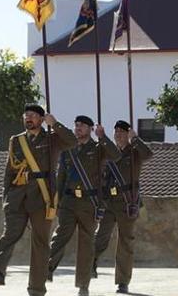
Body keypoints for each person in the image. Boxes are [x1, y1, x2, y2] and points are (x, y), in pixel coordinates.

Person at [0, 104, 77, 296]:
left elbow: (73, 141)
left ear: (42, 120)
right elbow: (9, 171)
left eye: (33, 115)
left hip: (42, 197)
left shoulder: (52, 139)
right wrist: (6, 196)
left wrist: (56, 124)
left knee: (40, 243)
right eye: (26, 115)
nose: (29, 118)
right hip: (17, 198)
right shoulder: (16, 141)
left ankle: (36, 288)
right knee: (9, 235)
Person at [47, 116, 121, 296]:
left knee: (86, 245)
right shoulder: (67, 150)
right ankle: (46, 269)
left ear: (90, 129)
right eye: (76, 125)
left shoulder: (98, 149)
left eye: (82, 126)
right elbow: (61, 178)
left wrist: (102, 137)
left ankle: (83, 284)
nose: (78, 128)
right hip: (68, 202)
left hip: (90, 203)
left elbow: (116, 155)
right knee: (59, 237)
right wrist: (56, 202)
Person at [92, 119, 153, 294]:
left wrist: (136, 139)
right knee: (100, 236)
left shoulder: (134, 152)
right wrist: (101, 137)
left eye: (122, 131)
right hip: (108, 201)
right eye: (116, 131)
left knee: (126, 242)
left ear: (128, 134)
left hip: (127, 202)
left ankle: (122, 281)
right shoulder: (107, 151)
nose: (118, 134)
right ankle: (92, 262)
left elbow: (148, 154)